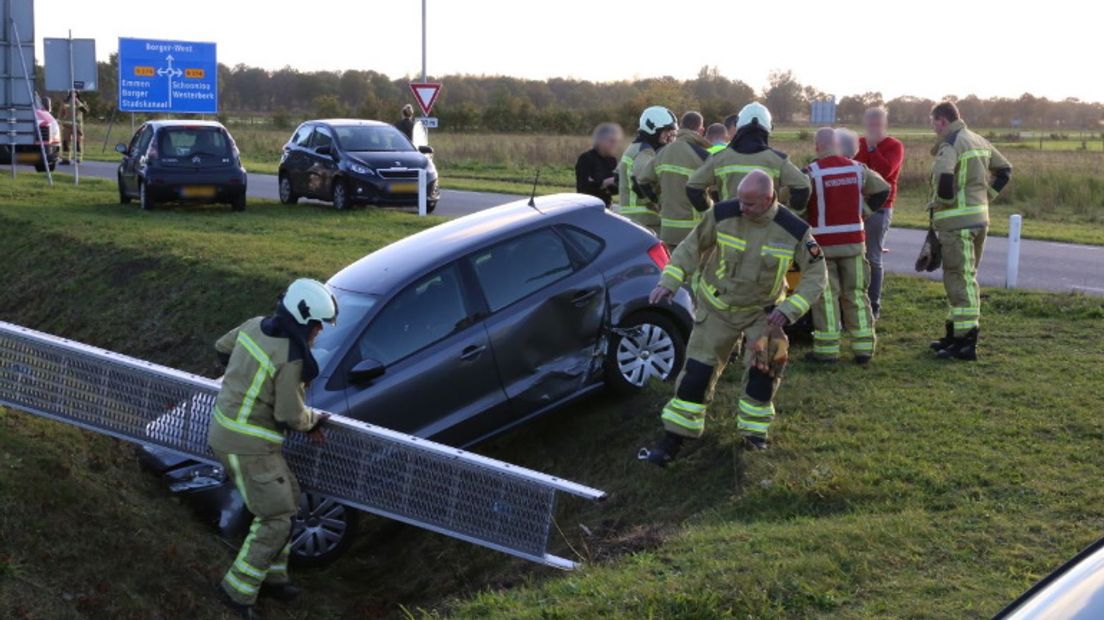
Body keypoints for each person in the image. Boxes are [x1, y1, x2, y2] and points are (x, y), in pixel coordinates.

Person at [638, 170, 828, 463]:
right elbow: (691, 247)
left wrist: (789, 309)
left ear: (769, 199)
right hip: (717, 309)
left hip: (763, 315)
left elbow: (817, 274)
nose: (742, 207)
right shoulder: (722, 214)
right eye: (740, 200)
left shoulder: (794, 229)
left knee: (764, 373)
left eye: (749, 203)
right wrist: (669, 282)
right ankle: (673, 440)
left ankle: (753, 438)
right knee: (696, 376)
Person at [208, 278, 338, 618]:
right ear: (303, 320)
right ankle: (236, 592)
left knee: (289, 498)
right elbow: (290, 414)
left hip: (229, 432)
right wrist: (314, 421)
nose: (318, 333)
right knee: (276, 516)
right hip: (249, 445)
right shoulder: (291, 357)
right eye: (317, 326)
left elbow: (222, 347)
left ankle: (273, 577)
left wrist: (243, 378)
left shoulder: (254, 325)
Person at [926, 101, 1012, 361]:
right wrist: (986, 197)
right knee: (965, 276)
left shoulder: (951, 144)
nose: (933, 130)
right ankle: (954, 336)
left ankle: (965, 343)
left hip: (956, 224)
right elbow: (1005, 170)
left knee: (958, 279)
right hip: (979, 221)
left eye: (933, 124)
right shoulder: (979, 140)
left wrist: (945, 202)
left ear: (942, 121)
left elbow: (944, 177)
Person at [803, 128, 890, 364]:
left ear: (817, 146)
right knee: (856, 294)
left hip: (822, 246)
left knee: (826, 297)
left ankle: (827, 350)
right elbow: (883, 189)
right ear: (838, 145)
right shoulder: (857, 168)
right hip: (853, 243)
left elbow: (797, 203)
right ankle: (863, 349)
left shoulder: (811, 172)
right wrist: (866, 212)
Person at [685, 102, 810, 215]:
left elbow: (693, 187)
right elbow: (803, 186)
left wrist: (712, 214)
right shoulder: (778, 160)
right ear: (768, 128)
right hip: (765, 231)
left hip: (728, 229)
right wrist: (789, 215)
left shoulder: (720, 158)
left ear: (739, 126)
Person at [635, 111, 713, 248]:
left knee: (671, 269)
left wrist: (659, 201)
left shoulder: (662, 152)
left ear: (680, 127)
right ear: (701, 130)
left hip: (667, 230)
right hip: (694, 230)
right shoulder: (704, 155)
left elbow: (643, 181)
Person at [854, 107, 905, 318]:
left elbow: (885, 173)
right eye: (870, 123)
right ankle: (855, 303)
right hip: (856, 206)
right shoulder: (858, 143)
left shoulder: (894, 146)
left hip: (880, 207)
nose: (872, 128)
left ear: (885, 124)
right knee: (855, 256)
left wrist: (874, 149)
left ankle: (873, 305)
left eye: (877, 124)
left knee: (873, 256)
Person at [619, 106, 678, 234]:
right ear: (653, 128)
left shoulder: (637, 147)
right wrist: (662, 204)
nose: (669, 134)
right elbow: (644, 183)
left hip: (636, 220)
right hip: (644, 221)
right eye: (666, 130)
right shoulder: (645, 152)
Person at [574, 122, 623, 207]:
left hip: (606, 206)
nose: (614, 145)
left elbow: (613, 190)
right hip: (587, 206)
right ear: (600, 140)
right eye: (611, 141)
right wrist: (604, 183)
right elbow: (583, 188)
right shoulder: (586, 159)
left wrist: (622, 182)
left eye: (616, 141)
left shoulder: (612, 160)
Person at [57, 90, 88, 165]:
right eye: (72, 92)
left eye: (75, 92)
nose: (73, 94)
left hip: (77, 126)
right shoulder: (65, 102)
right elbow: (61, 112)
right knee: (65, 143)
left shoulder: (81, 102)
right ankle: (65, 159)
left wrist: (77, 101)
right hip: (66, 126)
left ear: (78, 94)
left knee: (78, 142)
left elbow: (85, 111)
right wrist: (59, 120)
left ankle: (78, 159)